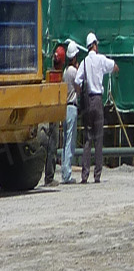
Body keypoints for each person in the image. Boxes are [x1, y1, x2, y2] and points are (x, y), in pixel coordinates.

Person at [78, 32, 118, 183]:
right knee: (98, 139)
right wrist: (115, 68)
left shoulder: (84, 62)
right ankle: (97, 175)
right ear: (95, 44)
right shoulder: (101, 59)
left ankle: (84, 175)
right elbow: (112, 65)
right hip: (97, 100)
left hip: (87, 101)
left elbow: (77, 79)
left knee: (88, 139)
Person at [42, 43, 64, 185]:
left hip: (48, 113)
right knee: (52, 145)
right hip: (54, 114)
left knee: (49, 145)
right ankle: (49, 177)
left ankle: (48, 175)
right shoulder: (57, 76)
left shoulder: (49, 74)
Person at [61, 41, 81, 184]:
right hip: (72, 107)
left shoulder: (64, 72)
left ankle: (64, 170)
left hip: (64, 108)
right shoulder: (74, 72)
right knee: (70, 141)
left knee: (64, 141)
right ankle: (67, 173)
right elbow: (79, 88)